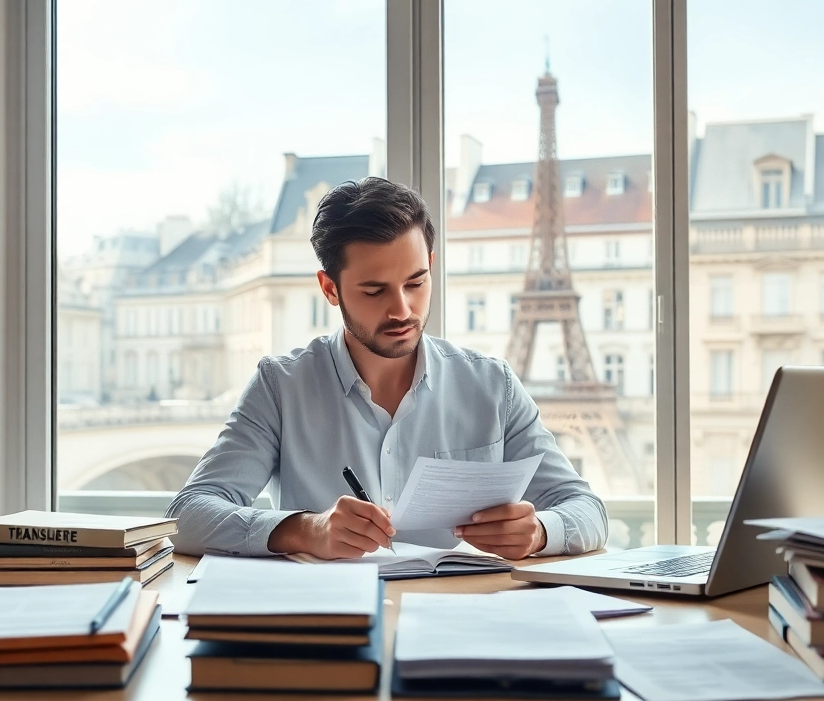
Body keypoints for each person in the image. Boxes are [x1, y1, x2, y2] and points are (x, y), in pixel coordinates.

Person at [167, 177, 607, 560]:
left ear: (431, 267)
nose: (402, 309)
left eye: (415, 283)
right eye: (375, 290)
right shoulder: (280, 386)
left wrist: (539, 531)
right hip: (338, 627)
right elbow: (186, 514)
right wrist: (305, 530)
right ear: (330, 288)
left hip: (459, 620)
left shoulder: (493, 386)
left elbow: (586, 510)